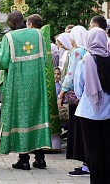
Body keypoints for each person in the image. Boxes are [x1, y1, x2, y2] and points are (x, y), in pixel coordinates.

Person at [0, 10, 51, 170]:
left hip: (18, 88)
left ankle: (23, 160)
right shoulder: (38, 35)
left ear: (12, 23)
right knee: (36, 118)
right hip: (37, 86)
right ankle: (40, 158)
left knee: (20, 120)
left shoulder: (10, 38)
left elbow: (0, 62)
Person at [74, 27, 110, 184]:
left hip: (88, 113)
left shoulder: (85, 60)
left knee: (93, 151)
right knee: (107, 149)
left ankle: (96, 181)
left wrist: (90, 99)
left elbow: (78, 88)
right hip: (108, 112)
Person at [26, 14, 62, 152]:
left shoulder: (31, 42)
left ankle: (38, 146)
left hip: (37, 82)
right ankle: (53, 144)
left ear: (30, 25)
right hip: (50, 82)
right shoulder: (51, 44)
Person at [57, 25, 89, 176]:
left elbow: (71, 74)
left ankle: (85, 164)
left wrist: (62, 91)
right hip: (87, 97)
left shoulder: (76, 52)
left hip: (76, 96)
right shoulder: (89, 50)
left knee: (78, 130)